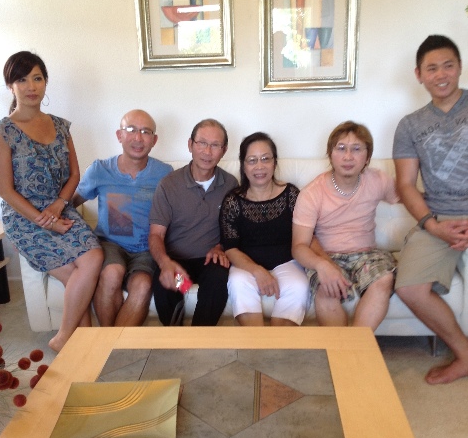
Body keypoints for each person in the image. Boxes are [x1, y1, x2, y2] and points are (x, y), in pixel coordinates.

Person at [0, 51, 103, 352]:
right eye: (22, 80)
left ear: (45, 82)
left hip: (60, 207)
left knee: (93, 258)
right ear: (11, 86)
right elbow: (5, 191)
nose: (31, 86)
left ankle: (65, 339)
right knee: (77, 275)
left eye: (37, 78)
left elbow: (75, 174)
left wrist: (58, 205)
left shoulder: (61, 126)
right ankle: (80, 345)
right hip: (24, 218)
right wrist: (46, 221)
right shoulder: (2, 133)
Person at [393, 35, 468, 385]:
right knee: (409, 287)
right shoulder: (410, 125)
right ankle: (465, 355)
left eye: (448, 66)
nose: (441, 75)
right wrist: (432, 225)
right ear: (419, 74)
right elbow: (406, 185)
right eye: (432, 68)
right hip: (437, 219)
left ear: (460, 67)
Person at [292, 121, 398, 330]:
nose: (348, 157)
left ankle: (355, 345)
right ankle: (341, 346)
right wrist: (322, 266)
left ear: (367, 157)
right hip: (327, 256)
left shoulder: (378, 180)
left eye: (356, 149)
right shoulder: (312, 193)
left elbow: (410, 198)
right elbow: (299, 246)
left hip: (367, 254)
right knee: (326, 290)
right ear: (330, 154)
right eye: (341, 148)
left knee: (384, 279)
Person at [72, 110, 172, 326]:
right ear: (119, 135)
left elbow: (176, 212)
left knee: (143, 285)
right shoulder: (100, 170)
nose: (138, 138)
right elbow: (71, 203)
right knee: (112, 273)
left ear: (154, 140)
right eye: (131, 130)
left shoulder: (165, 173)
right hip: (110, 244)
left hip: (147, 249)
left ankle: (111, 342)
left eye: (145, 132)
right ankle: (111, 340)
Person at [149, 118, 237, 325]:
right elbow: (156, 234)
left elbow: (236, 229)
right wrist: (165, 263)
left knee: (217, 281)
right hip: (177, 260)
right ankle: (177, 336)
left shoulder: (230, 184)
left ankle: (199, 336)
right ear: (190, 145)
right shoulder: (169, 185)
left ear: (224, 150)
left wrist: (220, 246)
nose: (207, 152)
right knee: (168, 287)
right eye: (202, 143)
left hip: (210, 261)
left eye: (215, 145)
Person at [220, 132, 309, 326]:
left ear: (275, 163)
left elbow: (305, 236)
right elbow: (230, 248)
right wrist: (257, 271)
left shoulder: (292, 195)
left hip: (287, 262)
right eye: (252, 160)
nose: (259, 166)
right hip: (246, 265)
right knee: (238, 284)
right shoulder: (233, 201)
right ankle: (256, 340)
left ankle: (278, 341)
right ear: (243, 165)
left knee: (299, 286)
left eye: (265, 159)